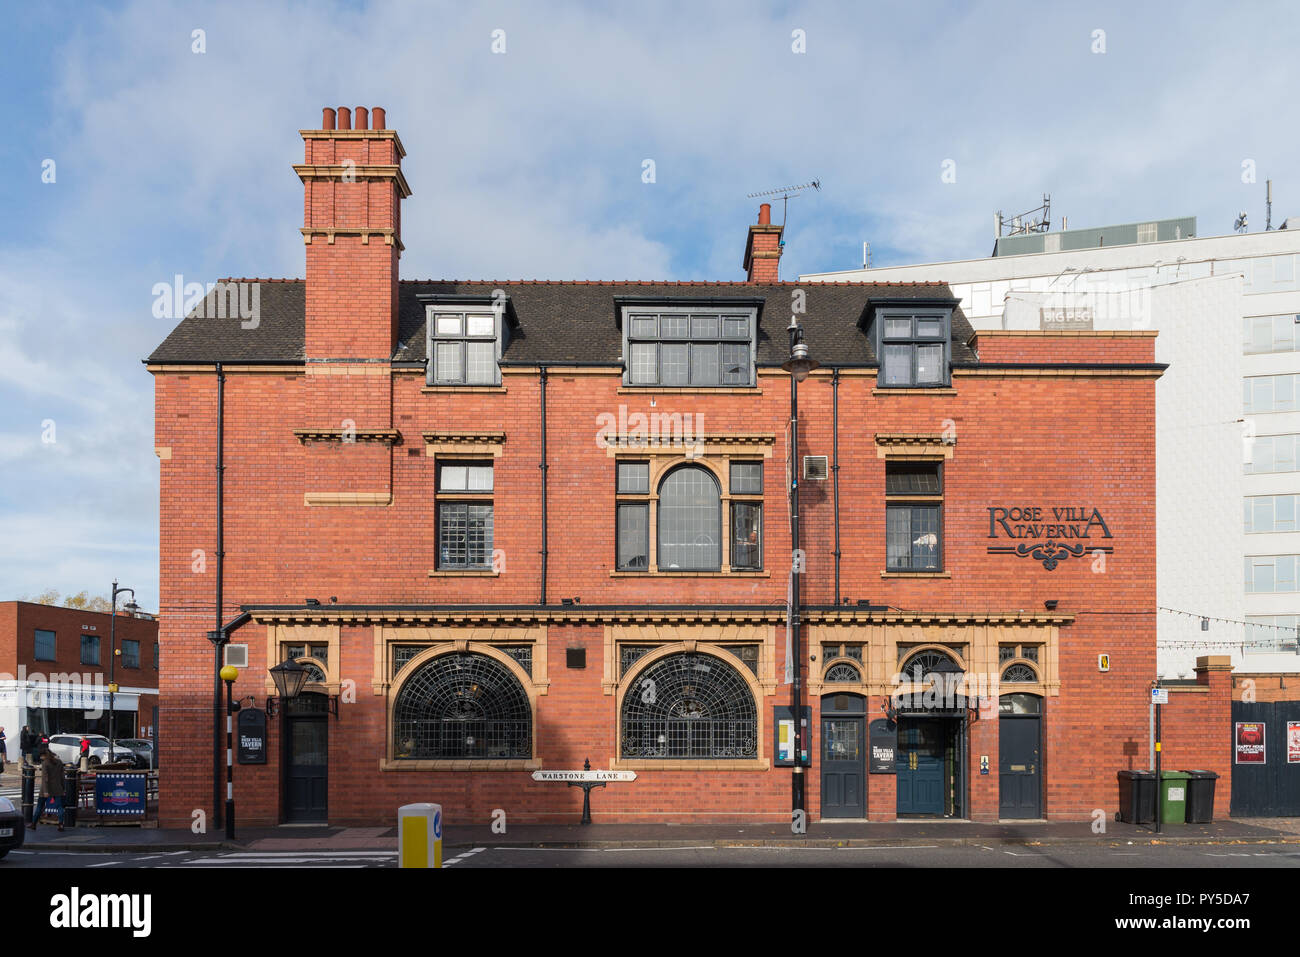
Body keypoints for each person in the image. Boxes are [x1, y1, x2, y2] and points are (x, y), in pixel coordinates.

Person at [29, 748, 65, 832]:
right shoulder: (59, 762)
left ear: (43, 756)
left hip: (47, 788)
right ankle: (61, 824)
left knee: (40, 806)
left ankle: (34, 823)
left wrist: (45, 791)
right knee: (60, 807)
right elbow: (62, 776)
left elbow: (45, 778)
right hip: (58, 787)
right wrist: (63, 788)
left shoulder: (45, 763)